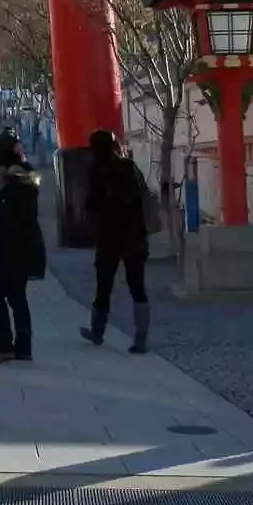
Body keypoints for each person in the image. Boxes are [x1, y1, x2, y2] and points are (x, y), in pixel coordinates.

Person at [80, 129, 152, 354]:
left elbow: (90, 205)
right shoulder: (129, 167)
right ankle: (141, 339)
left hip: (108, 237)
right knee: (137, 287)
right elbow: (144, 197)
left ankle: (97, 332)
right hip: (134, 236)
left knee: (103, 286)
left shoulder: (97, 172)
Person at [0, 135, 46, 362]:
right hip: (19, 249)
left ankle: (7, 345)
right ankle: (22, 347)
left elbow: (10, 221)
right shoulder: (22, 182)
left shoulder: (16, 188)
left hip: (14, 250)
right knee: (17, 297)